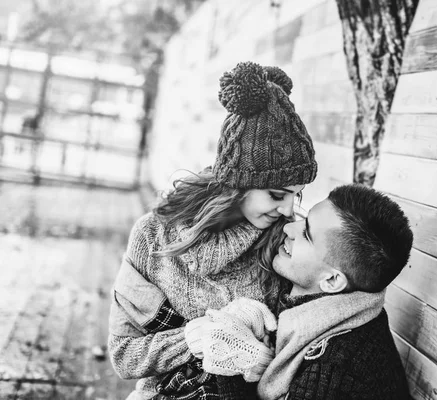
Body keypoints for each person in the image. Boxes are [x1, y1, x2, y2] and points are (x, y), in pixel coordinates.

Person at [107, 61, 318, 400]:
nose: (289, 210)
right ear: (237, 185)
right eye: (278, 195)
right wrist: (195, 338)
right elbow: (124, 356)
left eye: (298, 194)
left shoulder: (286, 242)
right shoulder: (154, 236)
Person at [187, 184, 414, 399]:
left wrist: (232, 363)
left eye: (306, 234)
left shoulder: (334, 369)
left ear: (332, 280)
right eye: (304, 219)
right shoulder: (345, 305)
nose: (288, 226)